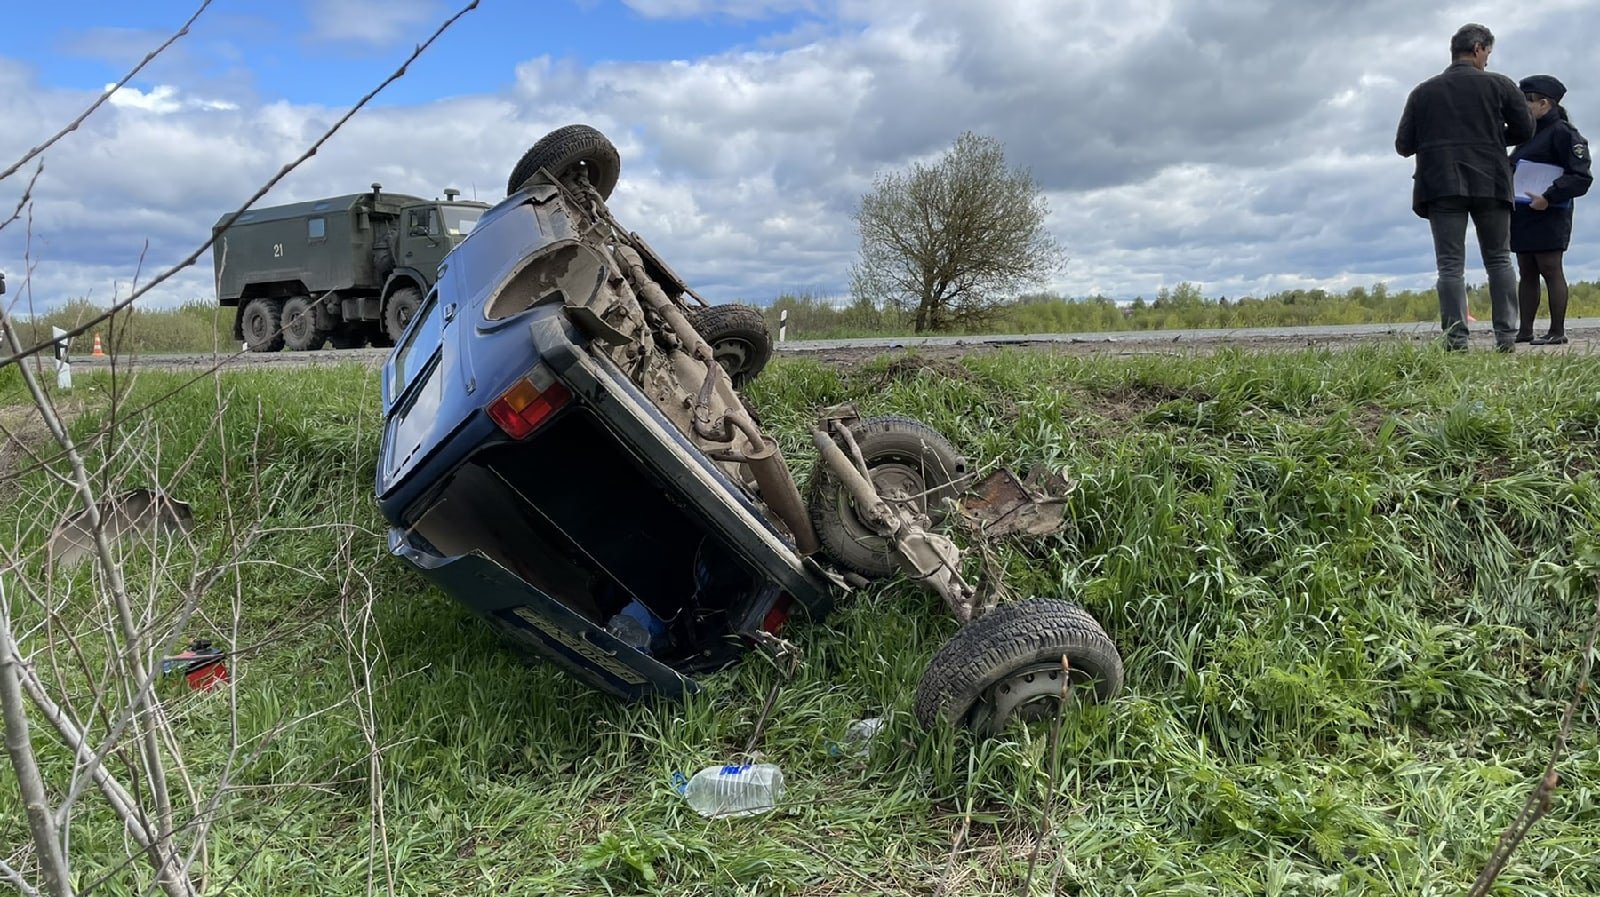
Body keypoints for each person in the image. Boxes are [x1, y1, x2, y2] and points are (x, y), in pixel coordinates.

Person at [1395, 23, 1535, 351]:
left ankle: (1456, 341)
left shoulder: (1423, 92)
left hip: (1441, 184)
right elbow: (1525, 130)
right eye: (1487, 52)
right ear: (1477, 49)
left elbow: (1403, 144)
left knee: (1449, 265)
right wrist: (1491, 138)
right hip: (1491, 181)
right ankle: (1506, 338)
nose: (1487, 59)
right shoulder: (1501, 85)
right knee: (1499, 259)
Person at [1510, 75, 1592, 346]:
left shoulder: (1563, 133)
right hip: (1523, 212)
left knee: (1550, 268)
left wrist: (1549, 196)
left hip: (1549, 211)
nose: (1522, 109)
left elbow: (1581, 177)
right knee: (1527, 270)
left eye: (1526, 103)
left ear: (1543, 103)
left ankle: (1557, 331)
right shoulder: (1527, 135)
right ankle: (1525, 331)